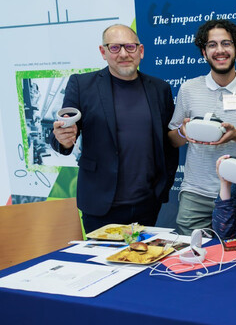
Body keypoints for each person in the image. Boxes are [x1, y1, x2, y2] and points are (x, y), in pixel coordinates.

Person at [50, 24, 179, 233]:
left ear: (141, 51)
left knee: (143, 262)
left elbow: (167, 144)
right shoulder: (82, 85)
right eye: (115, 48)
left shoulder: (159, 88)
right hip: (100, 205)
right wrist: (62, 139)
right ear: (103, 52)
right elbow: (64, 127)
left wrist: (161, 189)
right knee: (101, 265)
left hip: (147, 204)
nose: (124, 54)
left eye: (130, 47)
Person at [169, 19, 236, 235]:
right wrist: (185, 131)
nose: (220, 50)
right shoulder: (188, 89)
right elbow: (172, 140)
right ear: (204, 52)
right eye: (212, 45)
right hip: (195, 194)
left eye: (226, 44)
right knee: (188, 259)